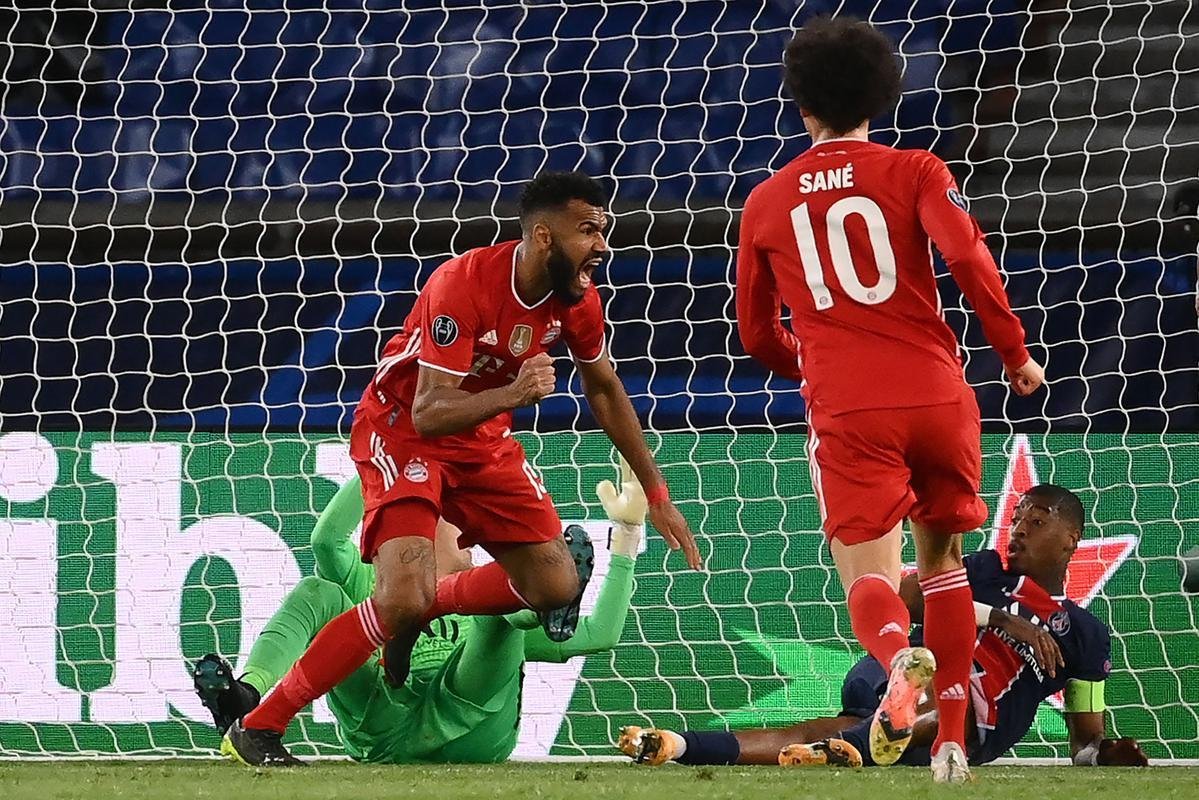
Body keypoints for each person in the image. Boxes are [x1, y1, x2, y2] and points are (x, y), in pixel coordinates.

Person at [225, 171, 702, 765]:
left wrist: (656, 493)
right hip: (403, 433)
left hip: (482, 442)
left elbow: (604, 388)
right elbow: (428, 412)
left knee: (555, 585)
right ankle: (262, 725)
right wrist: (514, 392)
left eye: (603, 230)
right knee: (398, 596)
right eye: (588, 230)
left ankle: (433, 601)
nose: (602, 245)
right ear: (545, 237)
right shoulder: (463, 284)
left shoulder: (577, 299)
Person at [734, 17, 1045, 783]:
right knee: (940, 564)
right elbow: (967, 257)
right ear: (885, 92)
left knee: (867, 571)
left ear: (800, 104)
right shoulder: (917, 170)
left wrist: (811, 365)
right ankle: (946, 743)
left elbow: (753, 333)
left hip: (850, 405)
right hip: (938, 396)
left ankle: (892, 657)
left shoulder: (767, 201)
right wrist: (1014, 354)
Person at [617, 485, 1149, 771]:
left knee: (815, 732)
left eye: (1037, 522)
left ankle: (676, 746)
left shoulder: (1085, 634)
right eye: (1017, 519)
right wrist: (996, 615)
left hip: (973, 727)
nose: (1019, 530)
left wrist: (1103, 754)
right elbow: (901, 595)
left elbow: (1084, 740)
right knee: (925, 687)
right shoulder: (983, 569)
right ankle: (869, 738)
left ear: (1071, 537)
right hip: (905, 677)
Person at [196, 456, 648, 765]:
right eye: (462, 527)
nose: (474, 541)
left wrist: (627, 535)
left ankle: (541, 601)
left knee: (498, 616)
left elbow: (602, 632)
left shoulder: (480, 595)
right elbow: (325, 539)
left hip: (471, 729)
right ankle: (246, 696)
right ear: (420, 530)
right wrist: (396, 454)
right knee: (320, 592)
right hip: (383, 720)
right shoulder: (369, 578)